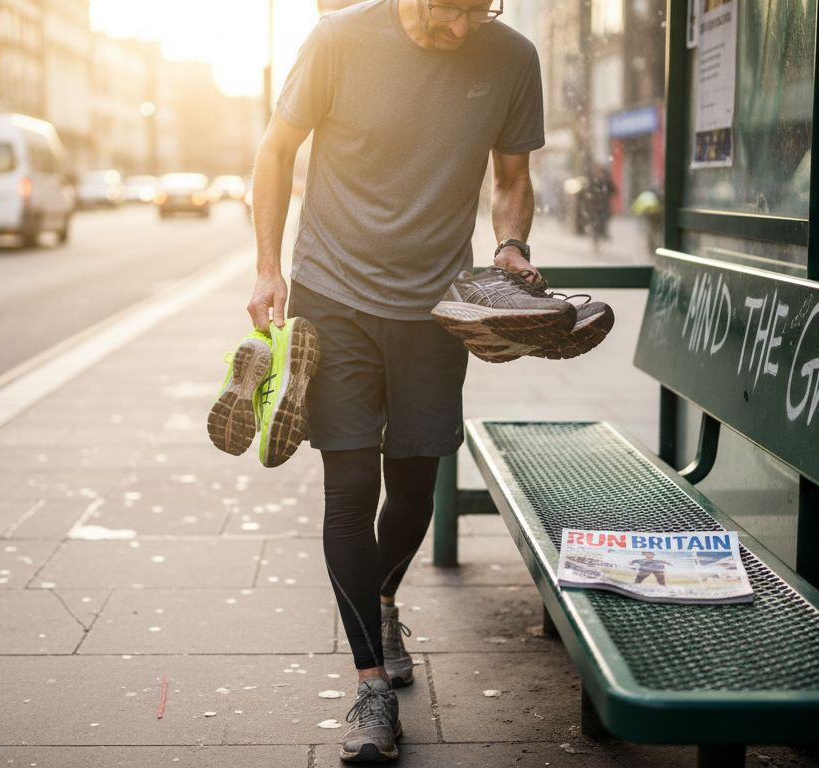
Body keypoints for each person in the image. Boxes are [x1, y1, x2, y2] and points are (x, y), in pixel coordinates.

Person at [247, 0, 544, 761]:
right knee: (349, 487)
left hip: (437, 307)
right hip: (333, 296)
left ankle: (381, 602)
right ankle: (371, 686)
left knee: (415, 485)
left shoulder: (511, 56)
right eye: (449, 9)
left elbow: (513, 176)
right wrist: (268, 267)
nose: (462, 28)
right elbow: (276, 150)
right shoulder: (339, 39)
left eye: (480, 10)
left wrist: (511, 244)